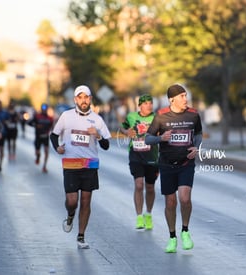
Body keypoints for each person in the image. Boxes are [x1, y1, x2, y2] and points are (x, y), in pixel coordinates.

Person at [49, 85, 111, 249]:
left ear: (90, 99)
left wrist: (97, 135)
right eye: (80, 97)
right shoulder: (66, 116)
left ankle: (81, 236)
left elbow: (106, 145)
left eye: (86, 97)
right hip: (71, 164)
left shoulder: (97, 119)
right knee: (72, 201)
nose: (84, 100)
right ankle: (70, 215)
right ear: (75, 99)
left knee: (86, 201)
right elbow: (54, 135)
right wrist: (57, 148)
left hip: (90, 165)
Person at [145, 84, 202, 253]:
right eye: (182, 96)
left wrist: (196, 148)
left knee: (184, 199)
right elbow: (148, 138)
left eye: (186, 95)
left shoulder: (193, 115)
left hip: (186, 164)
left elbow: (198, 134)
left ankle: (185, 231)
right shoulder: (161, 116)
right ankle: (172, 237)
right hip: (166, 164)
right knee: (170, 202)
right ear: (172, 100)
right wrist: (161, 138)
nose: (186, 99)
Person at [120, 94, 159, 230]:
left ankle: (148, 214)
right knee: (139, 184)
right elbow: (122, 127)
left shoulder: (157, 118)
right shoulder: (131, 117)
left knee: (150, 187)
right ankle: (139, 216)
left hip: (152, 156)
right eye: (146, 103)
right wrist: (126, 132)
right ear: (140, 105)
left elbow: (163, 133)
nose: (149, 105)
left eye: (150, 103)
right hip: (136, 154)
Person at [28, 103, 54, 173]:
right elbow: (29, 123)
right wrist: (36, 125)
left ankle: (44, 166)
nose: (44, 111)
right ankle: (38, 157)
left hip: (45, 137)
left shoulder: (50, 118)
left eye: (45, 109)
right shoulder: (37, 116)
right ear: (41, 109)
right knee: (37, 152)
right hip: (38, 137)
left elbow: (53, 127)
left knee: (46, 151)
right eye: (43, 109)